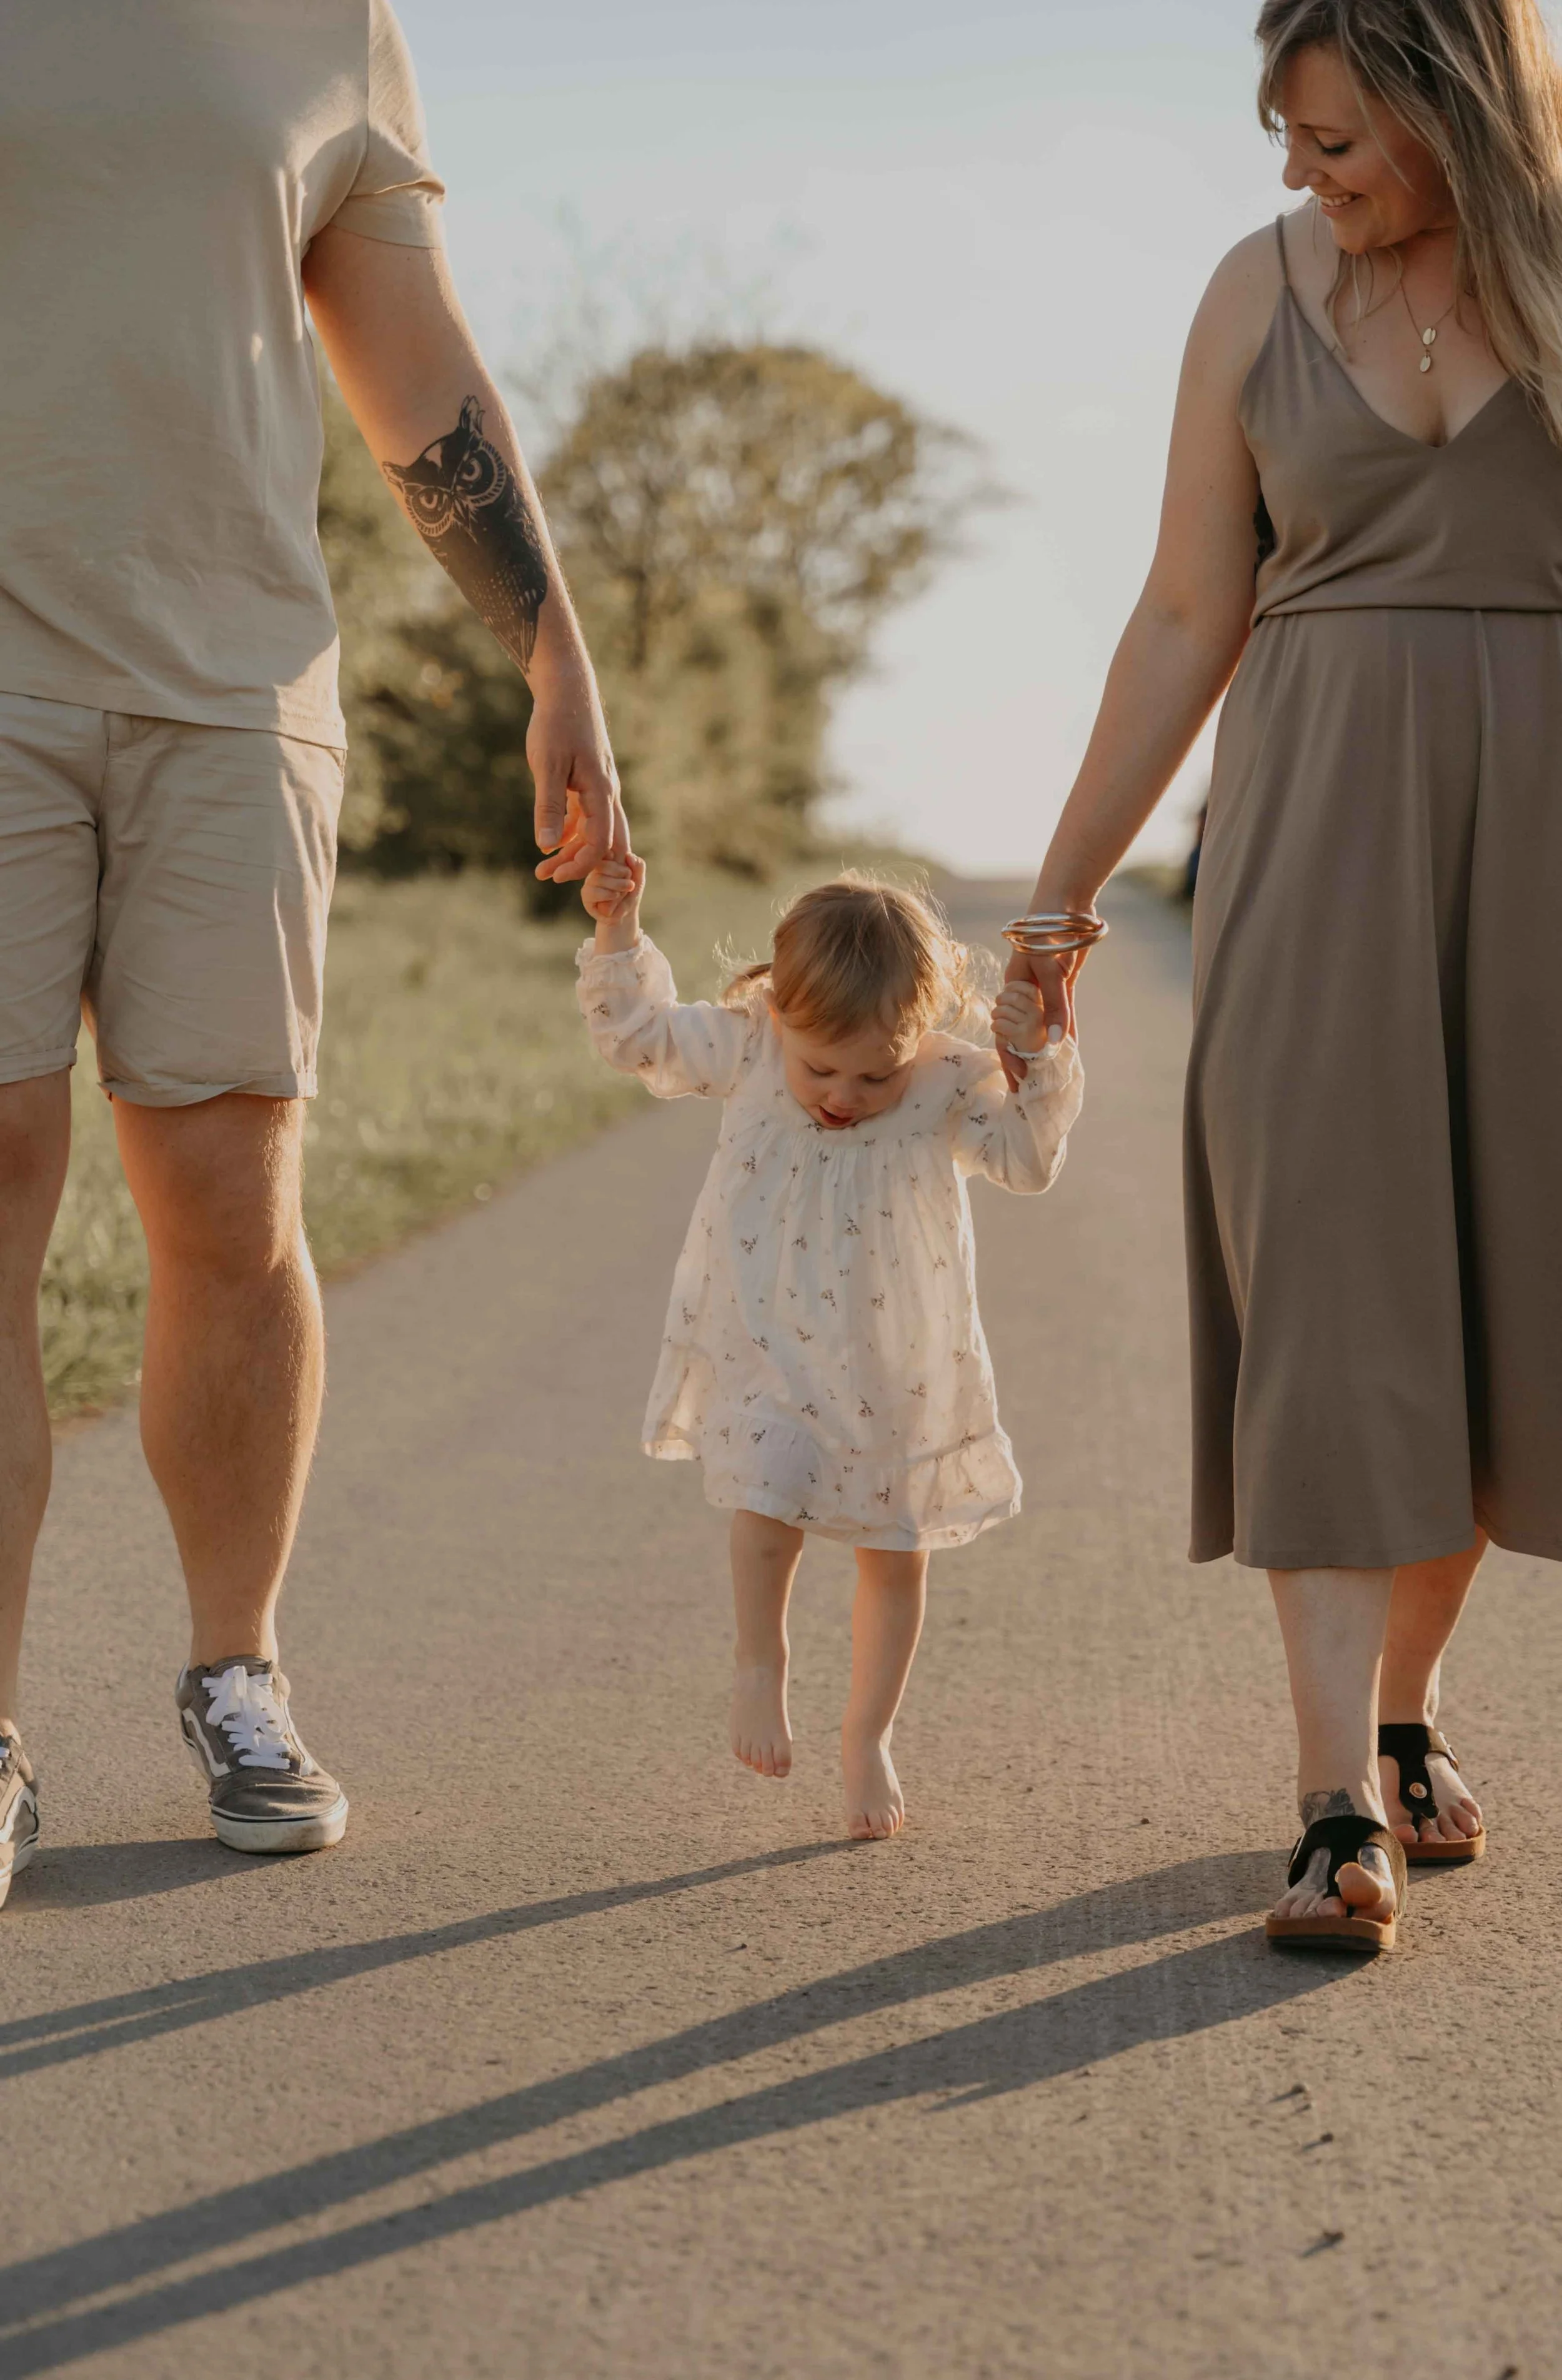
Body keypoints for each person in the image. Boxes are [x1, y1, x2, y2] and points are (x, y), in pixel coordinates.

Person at [0, 0, 623, 1903]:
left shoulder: (330, 25)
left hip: (232, 684)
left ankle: (234, 1666)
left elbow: (417, 380)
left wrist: (554, 655)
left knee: (227, 1187)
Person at [1003, 0, 1562, 1951]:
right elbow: (1181, 608)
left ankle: (1405, 1715)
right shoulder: (1255, 292)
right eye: (1289, 142)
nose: (1303, 180)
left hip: (1548, 851)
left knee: (1511, 1291)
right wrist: (1057, 904)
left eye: (1336, 144)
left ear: (1456, 112)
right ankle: (1332, 1799)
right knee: (1327, 1275)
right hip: (1313, 821)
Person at [575, 858, 1083, 1839]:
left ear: (921, 1036)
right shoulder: (751, 1047)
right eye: (823, 1069)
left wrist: (1043, 1057)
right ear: (775, 1007)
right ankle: (759, 1664)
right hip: (767, 1342)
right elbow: (636, 1036)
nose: (845, 1094)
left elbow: (1025, 1162)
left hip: (899, 1359)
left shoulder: (945, 1080)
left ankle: (868, 1734)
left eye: (873, 1075)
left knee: (897, 1551)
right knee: (767, 1499)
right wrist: (618, 930)